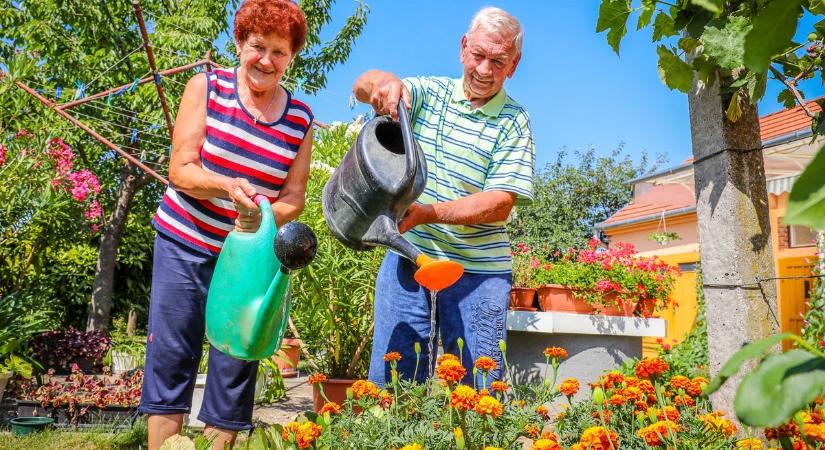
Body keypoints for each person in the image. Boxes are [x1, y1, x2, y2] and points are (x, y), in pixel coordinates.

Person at [138, 1, 313, 448]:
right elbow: (181, 169)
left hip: (247, 257)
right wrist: (226, 187)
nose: (266, 60)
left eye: (279, 52)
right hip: (186, 240)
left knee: (237, 360)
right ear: (240, 44)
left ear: (291, 57)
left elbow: (294, 198)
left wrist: (261, 214)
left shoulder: (301, 120)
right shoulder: (206, 87)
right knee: (172, 353)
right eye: (257, 47)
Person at [353, 6, 535, 387]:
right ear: (463, 48)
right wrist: (384, 83)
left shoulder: (515, 121)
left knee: (478, 387)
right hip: (409, 258)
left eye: (498, 61)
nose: (485, 69)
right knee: (392, 382)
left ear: (513, 65)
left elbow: (500, 203)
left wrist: (427, 213)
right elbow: (363, 85)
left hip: (478, 273)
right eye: (479, 55)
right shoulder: (428, 93)